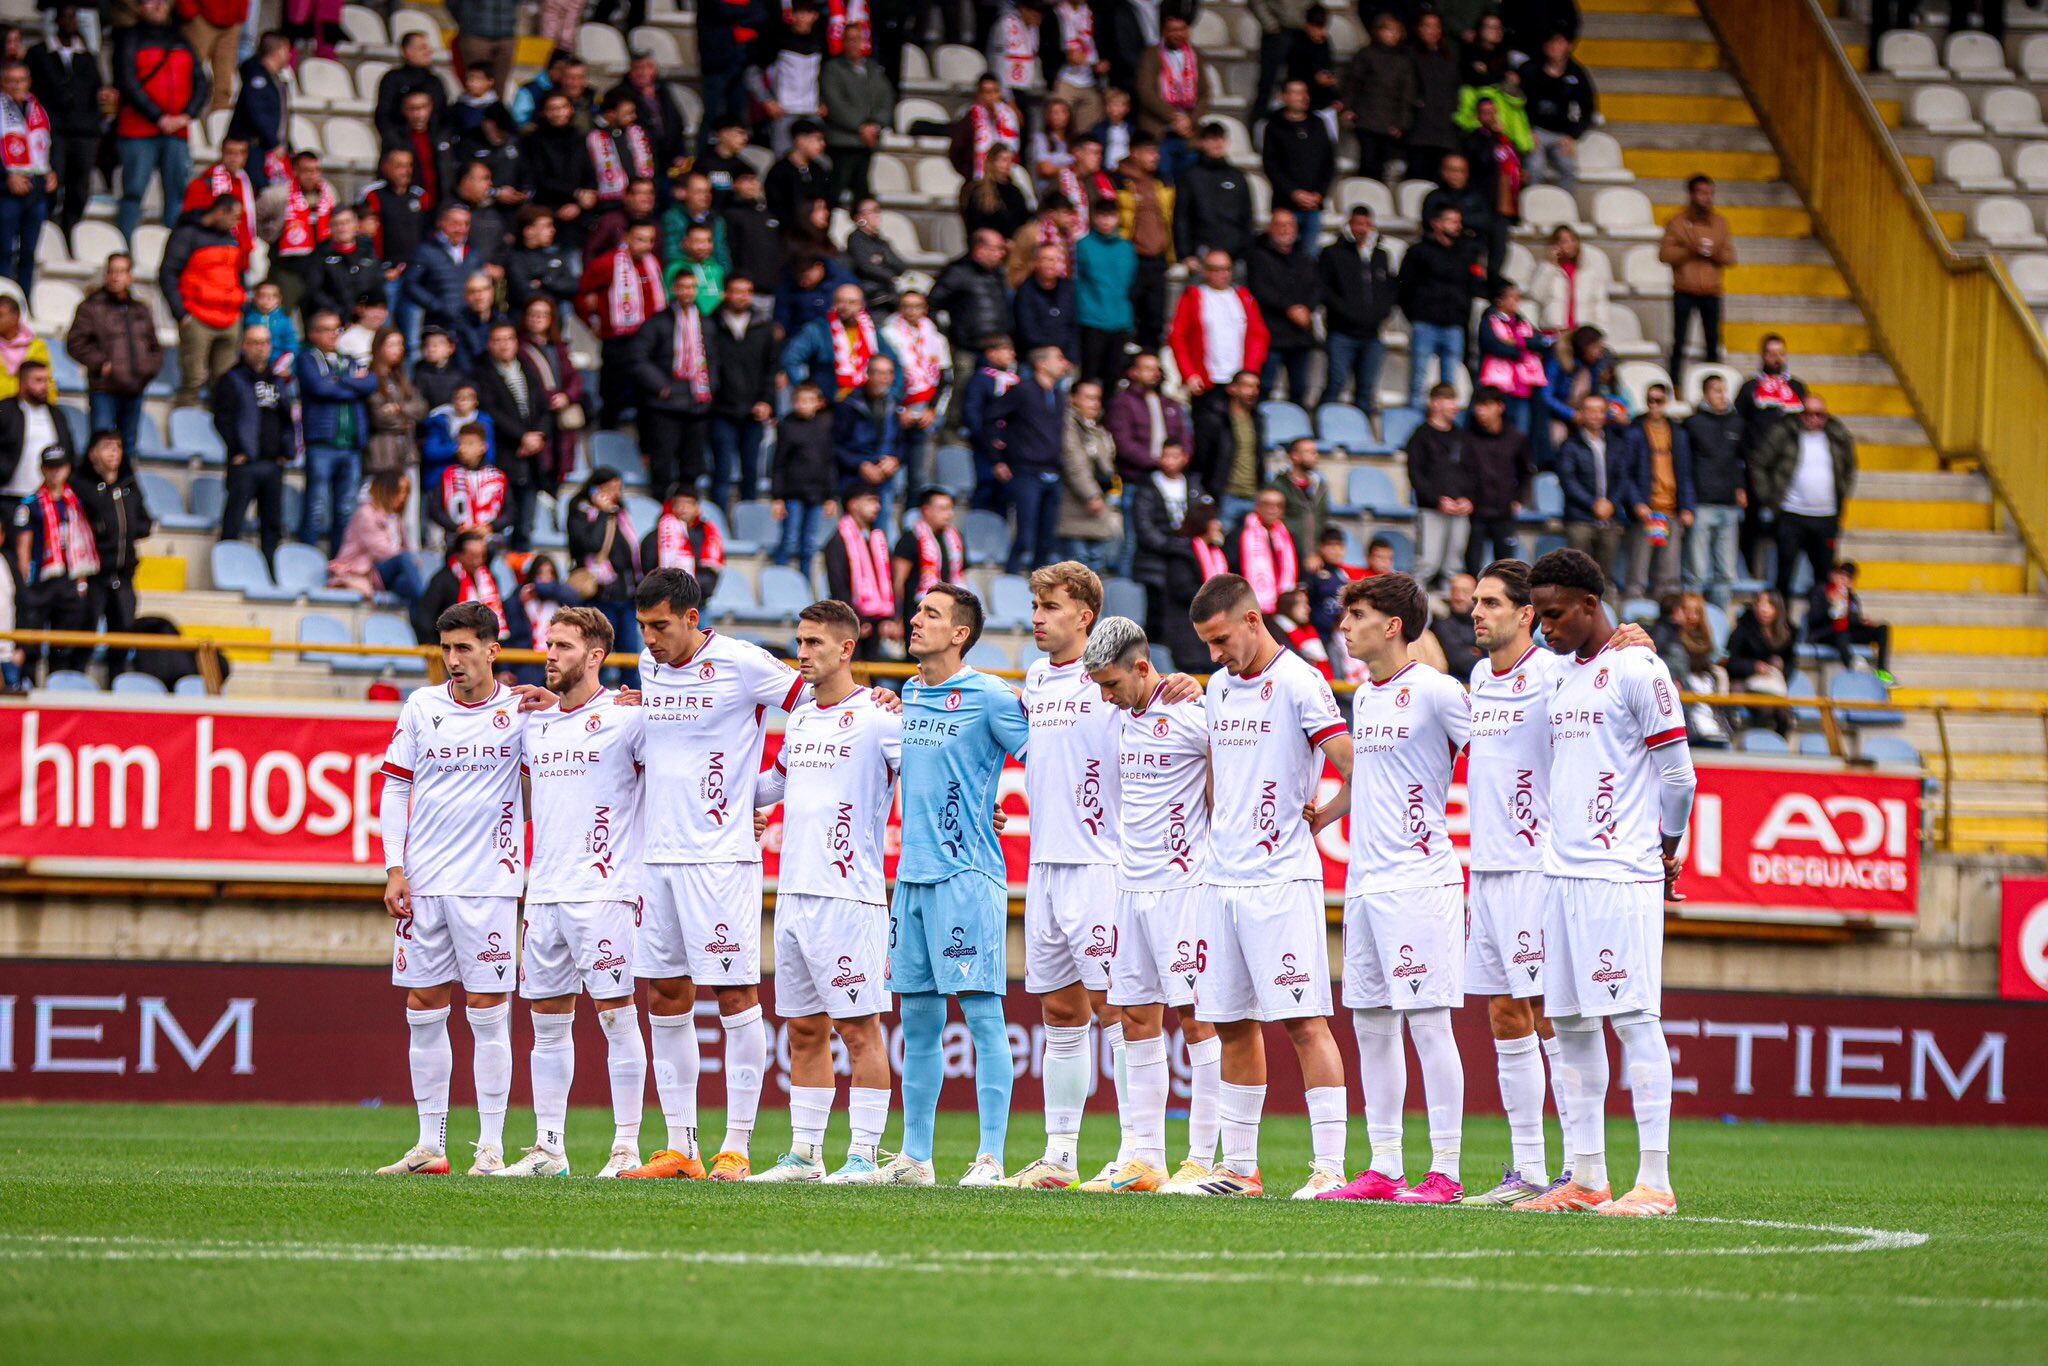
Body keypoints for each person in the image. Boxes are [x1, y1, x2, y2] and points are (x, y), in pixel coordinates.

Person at [1514, 548, 1695, 1218]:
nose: (1544, 628)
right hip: (1559, 875)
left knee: (1633, 1018)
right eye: (1538, 615)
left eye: (1556, 615)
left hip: (1619, 875)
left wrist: (1665, 848)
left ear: (1591, 606)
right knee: (1567, 1022)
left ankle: (1655, 1182)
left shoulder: (1639, 667)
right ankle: (1588, 1179)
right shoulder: (1559, 673)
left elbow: (1679, 776)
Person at [611, 568, 809, 1181]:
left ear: (693, 618)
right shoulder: (651, 669)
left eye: (661, 626)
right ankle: (681, 1147)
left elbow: (819, 708)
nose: (650, 639)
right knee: (666, 995)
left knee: (734, 997)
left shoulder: (742, 662)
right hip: (658, 857)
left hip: (720, 861)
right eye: (643, 627)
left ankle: (738, 1146)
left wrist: (765, 792)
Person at [1170, 573, 1353, 1196]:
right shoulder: (1217, 688)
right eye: (1206, 644)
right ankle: (1240, 1168)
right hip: (1221, 882)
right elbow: (1219, 774)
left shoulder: (1302, 683)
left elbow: (1356, 764)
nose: (1214, 655)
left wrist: (1326, 814)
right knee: (1229, 1024)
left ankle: (1330, 1169)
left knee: (1303, 1021)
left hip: (1280, 882)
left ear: (1253, 620)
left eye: (1220, 639)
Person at [1308, 573, 1471, 1204]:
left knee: (1429, 1025)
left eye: (1357, 616)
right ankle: (1384, 1167)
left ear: (1393, 626)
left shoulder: (1436, 691)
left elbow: (1496, 751)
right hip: (1366, 883)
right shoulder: (1367, 697)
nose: (1345, 627)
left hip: (1420, 880)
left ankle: (1448, 1173)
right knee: (1372, 1024)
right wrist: (1326, 813)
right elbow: (1370, 777)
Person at [1457, 558, 1611, 1203]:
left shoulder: (1556, 675)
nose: (1476, 612)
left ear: (1526, 615)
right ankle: (1525, 1170)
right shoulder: (1476, 677)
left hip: (1536, 868)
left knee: (1553, 1013)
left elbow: (1607, 670)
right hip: (1486, 869)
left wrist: (1632, 637)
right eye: (1476, 602)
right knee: (1502, 1013)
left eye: (1491, 603)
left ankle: (1583, 1167)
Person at [483, 605, 647, 1179]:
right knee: (547, 1023)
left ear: (596, 656)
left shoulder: (629, 719)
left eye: (564, 646)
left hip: (605, 892)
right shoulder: (537, 722)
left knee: (616, 1017)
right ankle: (549, 1149)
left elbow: (677, 776)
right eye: (548, 644)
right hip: (545, 891)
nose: (550, 655)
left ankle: (626, 1146)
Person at [743, 599, 902, 1183]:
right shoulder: (804, 716)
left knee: (858, 1029)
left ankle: (864, 1155)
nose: (802, 653)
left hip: (849, 896)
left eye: (813, 643)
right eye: (799, 642)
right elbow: (774, 783)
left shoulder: (882, 717)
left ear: (846, 649)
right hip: (792, 894)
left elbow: (931, 775)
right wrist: (717, 793)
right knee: (804, 1028)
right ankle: (806, 1153)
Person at [880, 583, 1033, 1186]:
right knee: (917, 1021)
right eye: (918, 610)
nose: (915, 621)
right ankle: (916, 1158)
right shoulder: (908, 694)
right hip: (910, 878)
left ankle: (990, 1157)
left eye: (931, 615)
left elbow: (1047, 761)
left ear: (960, 633)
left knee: (982, 1014)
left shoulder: (993, 696)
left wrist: (995, 810)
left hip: (967, 877)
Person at [372, 601, 524, 1176]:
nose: (453, 661)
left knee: (487, 1009)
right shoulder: (421, 707)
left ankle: (489, 1146)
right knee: (423, 1005)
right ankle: (430, 1144)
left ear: (492, 650)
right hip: (425, 882)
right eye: (446, 649)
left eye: (464, 649)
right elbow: (395, 790)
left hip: (489, 885)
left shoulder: (520, 711)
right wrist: (394, 867)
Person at [1071, 616, 1222, 1190]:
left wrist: (1197, 685)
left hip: (1184, 888)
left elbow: (1245, 762)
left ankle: (1203, 1160)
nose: (1107, 699)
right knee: (1136, 1015)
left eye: (1112, 685)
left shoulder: (1189, 714)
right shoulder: (1121, 718)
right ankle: (1148, 1159)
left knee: (1197, 1017)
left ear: (1141, 667)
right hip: (1129, 888)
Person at [994, 564, 1123, 1189]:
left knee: (1117, 1010)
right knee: (1060, 1012)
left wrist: (1179, 684)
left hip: (1101, 866)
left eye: (1050, 606)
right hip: (1043, 866)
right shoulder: (1038, 679)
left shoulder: (1114, 678)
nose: (1037, 617)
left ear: (1085, 617)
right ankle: (1061, 1156)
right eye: (1035, 606)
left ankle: (1138, 1150)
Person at [111, 0, 208, 243]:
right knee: (133, 193)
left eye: (162, 1)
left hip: (176, 132)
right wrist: (159, 116)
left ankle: (172, 250)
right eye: (151, 1)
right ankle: (124, 253)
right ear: (140, 8)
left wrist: (187, 115)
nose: (158, 6)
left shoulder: (182, 39)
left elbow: (201, 82)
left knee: (176, 195)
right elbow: (126, 81)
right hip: (138, 131)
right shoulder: (129, 38)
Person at [1170, 251, 1269, 484]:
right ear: (1205, 271)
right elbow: (1179, 336)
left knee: (1240, 438)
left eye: (1226, 269)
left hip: (1238, 382)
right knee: (1207, 440)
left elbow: (1258, 335)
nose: (1222, 274)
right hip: (1208, 382)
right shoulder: (1194, 296)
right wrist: (1189, 373)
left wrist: (1250, 374)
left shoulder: (1243, 296)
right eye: (1215, 269)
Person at [1752, 392, 1855, 604]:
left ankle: (1820, 624)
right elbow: (1759, 463)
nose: (1813, 419)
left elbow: (1849, 467)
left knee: (1824, 575)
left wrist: (1842, 492)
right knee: (1785, 572)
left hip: (1825, 516)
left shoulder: (1837, 436)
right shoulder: (1785, 433)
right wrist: (1770, 498)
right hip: (1792, 513)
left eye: (1819, 415)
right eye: (1808, 414)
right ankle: (1782, 624)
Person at [295, 309, 377, 555]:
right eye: (327, 329)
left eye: (337, 329)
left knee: (346, 510)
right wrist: (351, 384)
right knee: (316, 507)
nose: (333, 334)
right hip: (323, 443)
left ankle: (339, 562)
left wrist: (338, 380)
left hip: (351, 445)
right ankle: (304, 558)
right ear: (312, 334)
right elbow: (320, 388)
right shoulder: (308, 359)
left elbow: (370, 383)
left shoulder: (349, 360)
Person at [211, 324, 296, 561]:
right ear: (243, 345)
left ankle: (270, 573)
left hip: (273, 465)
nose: (261, 348)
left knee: (272, 526)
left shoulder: (278, 382)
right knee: (233, 522)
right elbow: (222, 420)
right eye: (255, 342)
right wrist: (238, 449)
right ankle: (227, 569)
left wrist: (286, 452)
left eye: (266, 342)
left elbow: (286, 419)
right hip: (245, 464)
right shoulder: (231, 379)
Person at [10, 443, 94, 673]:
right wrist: (25, 581)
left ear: (68, 469)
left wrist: (81, 579)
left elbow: (82, 543)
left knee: (63, 647)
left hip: (68, 581)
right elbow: (23, 546)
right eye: (50, 467)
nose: (55, 472)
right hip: (40, 582)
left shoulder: (75, 504)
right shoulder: (30, 504)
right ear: (42, 469)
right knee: (31, 645)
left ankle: (60, 689)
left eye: (60, 467)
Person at [577, 219, 665, 429]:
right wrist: (591, 323)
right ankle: (607, 448)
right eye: (640, 239)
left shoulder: (653, 264)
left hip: (649, 344)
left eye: (650, 240)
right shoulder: (606, 264)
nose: (646, 245)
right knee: (613, 398)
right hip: (618, 342)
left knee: (647, 398)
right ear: (626, 238)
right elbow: (581, 295)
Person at [472, 322, 552, 551]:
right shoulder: (483, 373)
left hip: (533, 458)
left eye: (508, 339)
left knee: (526, 523)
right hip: (505, 454)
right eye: (498, 340)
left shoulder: (528, 369)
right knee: (501, 521)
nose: (504, 345)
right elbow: (492, 410)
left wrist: (538, 437)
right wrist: (522, 437)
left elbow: (544, 408)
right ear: (489, 345)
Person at [991, 344, 1071, 573]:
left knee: (1046, 540)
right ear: (1042, 364)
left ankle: (1041, 592)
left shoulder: (1059, 394)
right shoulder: (1022, 390)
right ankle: (1010, 578)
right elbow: (991, 419)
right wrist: (998, 458)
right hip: (1027, 471)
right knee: (1025, 535)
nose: (1064, 363)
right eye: (1059, 358)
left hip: (1054, 472)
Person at [164, 194, 248, 407]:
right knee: (193, 380)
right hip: (197, 318)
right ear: (220, 212)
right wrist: (181, 314)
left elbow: (239, 276)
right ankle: (185, 429)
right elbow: (168, 274)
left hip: (230, 319)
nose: (237, 222)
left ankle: (218, 433)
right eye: (235, 217)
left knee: (224, 384)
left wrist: (240, 309)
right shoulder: (187, 234)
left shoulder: (232, 239)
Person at [73, 430, 149, 665]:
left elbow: (144, 522)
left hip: (124, 576)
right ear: (92, 453)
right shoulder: (81, 487)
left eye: (118, 446)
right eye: (107, 446)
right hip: (94, 575)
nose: (114, 452)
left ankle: (117, 683)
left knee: (124, 636)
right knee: (84, 637)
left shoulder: (129, 486)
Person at [1315, 205, 1394, 423]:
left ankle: (1362, 432)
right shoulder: (1332, 253)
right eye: (1357, 224)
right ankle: (1323, 425)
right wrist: (1346, 313)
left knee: (1366, 390)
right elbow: (1325, 289)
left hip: (1372, 334)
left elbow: (1388, 289)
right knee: (1336, 383)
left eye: (1366, 224)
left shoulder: (1381, 256)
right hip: (1342, 332)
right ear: (1349, 224)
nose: (1362, 229)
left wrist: (1381, 313)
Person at [1400, 205, 1483, 409]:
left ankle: (1446, 424)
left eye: (1458, 221)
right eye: (1452, 221)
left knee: (1450, 382)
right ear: (1436, 223)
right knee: (1418, 380)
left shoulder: (1465, 253)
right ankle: (1414, 422)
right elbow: (1404, 286)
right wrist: (1416, 314)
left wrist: (1462, 313)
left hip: (1454, 324)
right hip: (1425, 322)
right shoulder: (1418, 251)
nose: (1458, 226)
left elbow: (1472, 286)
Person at [1617, 382, 1694, 600]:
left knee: (1669, 575)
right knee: (1638, 573)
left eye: (1658, 401)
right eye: (1650, 400)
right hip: (1647, 511)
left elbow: (1685, 473)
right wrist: (1637, 503)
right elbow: (1626, 473)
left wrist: (1687, 506)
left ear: (1666, 402)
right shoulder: (1635, 432)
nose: (1653, 405)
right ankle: (1633, 618)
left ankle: (1667, 619)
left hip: (1671, 510)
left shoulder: (1678, 434)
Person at [27, 8, 99, 238]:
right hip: (53, 130)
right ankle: (46, 229)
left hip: (84, 132)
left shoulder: (87, 56)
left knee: (79, 188)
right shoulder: (38, 53)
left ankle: (70, 232)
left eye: (74, 17)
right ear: (56, 21)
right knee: (51, 183)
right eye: (66, 17)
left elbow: (96, 89)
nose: (71, 22)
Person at [1557, 390, 1637, 592]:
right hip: (1580, 517)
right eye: (1590, 411)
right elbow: (1568, 481)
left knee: (1604, 578)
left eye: (1600, 411)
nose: (1595, 415)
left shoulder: (1616, 443)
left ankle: (1603, 618)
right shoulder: (1570, 445)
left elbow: (1623, 477)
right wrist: (1593, 504)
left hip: (1610, 517)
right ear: (1581, 413)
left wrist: (1611, 503)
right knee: (1577, 576)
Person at [1659, 174, 1736, 381]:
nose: (1707, 198)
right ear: (1691, 195)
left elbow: (1731, 257)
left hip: (1712, 291)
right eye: (1702, 193)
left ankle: (1714, 384)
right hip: (1684, 290)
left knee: (1713, 341)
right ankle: (1674, 383)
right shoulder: (1677, 222)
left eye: (1710, 193)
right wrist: (1690, 250)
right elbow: (1664, 254)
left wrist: (1714, 254)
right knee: (1679, 342)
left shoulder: (1720, 223)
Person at [564, 468, 642, 655]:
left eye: (618, 489)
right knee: (599, 653)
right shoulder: (580, 511)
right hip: (598, 594)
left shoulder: (621, 514)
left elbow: (629, 552)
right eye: (609, 488)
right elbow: (592, 544)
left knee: (629, 654)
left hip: (624, 593)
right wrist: (602, 514)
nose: (615, 494)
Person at [1683, 372, 1745, 606]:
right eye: (1716, 390)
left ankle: (1719, 622)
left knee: (1726, 572)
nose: (1722, 395)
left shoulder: (1737, 423)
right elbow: (1685, 466)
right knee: (1696, 572)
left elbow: (1739, 460)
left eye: (1724, 390)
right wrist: (1687, 503)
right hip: (1701, 503)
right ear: (1706, 394)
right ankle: (1693, 623)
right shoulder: (1693, 424)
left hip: (1728, 504)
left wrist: (1740, 487)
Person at [1407, 383, 1475, 591]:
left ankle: (1451, 616)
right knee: (1426, 565)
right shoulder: (1420, 436)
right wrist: (1437, 500)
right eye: (1449, 400)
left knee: (1453, 567)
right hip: (1431, 510)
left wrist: (1469, 498)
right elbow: (1416, 476)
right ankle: (1417, 615)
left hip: (1460, 511)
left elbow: (1472, 472)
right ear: (1435, 403)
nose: (1455, 406)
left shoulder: (1462, 436)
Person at [1247, 208, 1320, 404]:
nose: (1284, 230)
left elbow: (1316, 287)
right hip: (1272, 335)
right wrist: (1289, 308)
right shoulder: (1258, 256)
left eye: (1289, 225)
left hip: (1300, 336)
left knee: (1299, 390)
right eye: (1279, 225)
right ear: (1270, 228)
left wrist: (1307, 309)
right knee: (1265, 389)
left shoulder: (1305, 256)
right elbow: (1261, 289)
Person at [880, 290, 949, 492]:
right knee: (891, 472)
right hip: (897, 409)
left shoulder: (936, 338)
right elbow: (883, 376)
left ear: (925, 309)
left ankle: (914, 519)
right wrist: (898, 410)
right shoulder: (888, 335)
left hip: (925, 409)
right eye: (907, 306)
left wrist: (933, 410)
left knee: (919, 476)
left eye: (917, 306)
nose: (912, 311)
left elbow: (945, 378)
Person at [1464, 385, 1534, 575]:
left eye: (1486, 406)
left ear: (1500, 407)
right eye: (1478, 406)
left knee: (1506, 570)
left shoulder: (1516, 438)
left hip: (1504, 513)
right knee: (1471, 565)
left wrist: (1519, 499)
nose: (1481, 412)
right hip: (1475, 513)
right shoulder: (1468, 438)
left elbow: (1527, 472)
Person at [821, 21, 892, 206]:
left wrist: (876, 125)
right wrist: (862, 127)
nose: (854, 44)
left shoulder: (874, 70)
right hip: (842, 142)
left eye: (858, 39)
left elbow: (886, 100)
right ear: (843, 42)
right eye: (849, 39)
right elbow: (835, 103)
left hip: (867, 144)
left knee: (863, 194)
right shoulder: (832, 68)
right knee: (835, 194)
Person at [1337, 12, 1416, 180]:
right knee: (1367, 161)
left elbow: (1407, 94)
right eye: (1388, 30)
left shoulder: (1404, 61)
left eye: (1396, 31)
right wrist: (1348, 107)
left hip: (1389, 122)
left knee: (1381, 166)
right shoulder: (1366, 55)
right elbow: (1353, 83)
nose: (1392, 35)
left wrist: (1401, 123)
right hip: (1366, 117)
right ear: (1377, 31)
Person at [328, 471, 426, 603]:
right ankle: (428, 604)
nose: (404, 496)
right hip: (364, 571)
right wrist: (409, 560)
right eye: (400, 490)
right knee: (405, 560)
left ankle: (423, 618)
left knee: (408, 588)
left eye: (407, 491)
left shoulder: (396, 518)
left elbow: (403, 548)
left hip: (385, 574)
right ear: (386, 489)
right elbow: (381, 551)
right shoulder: (366, 513)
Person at [822, 483, 896, 659]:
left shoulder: (877, 539)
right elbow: (838, 586)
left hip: (878, 621)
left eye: (878, 501)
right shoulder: (838, 541)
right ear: (853, 504)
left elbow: (888, 580)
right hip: (851, 622)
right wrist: (855, 620)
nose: (877, 506)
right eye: (871, 501)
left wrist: (890, 618)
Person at [0, 60, 55, 292]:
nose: (17, 85)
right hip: (6, 188)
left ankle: (23, 302)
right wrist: (6, 178)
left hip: (36, 186)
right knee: (3, 250)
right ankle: (4, 300)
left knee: (29, 252)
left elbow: (47, 142)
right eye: (11, 81)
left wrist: (52, 170)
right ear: (3, 82)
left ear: (29, 81)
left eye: (21, 80)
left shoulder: (38, 107)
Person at [772, 381, 836, 572]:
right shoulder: (787, 426)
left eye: (809, 401)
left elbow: (829, 463)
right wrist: (778, 497)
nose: (805, 405)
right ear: (793, 402)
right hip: (793, 494)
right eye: (801, 401)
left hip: (817, 495)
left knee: (809, 544)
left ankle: (805, 584)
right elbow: (778, 464)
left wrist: (831, 496)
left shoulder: (824, 427)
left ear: (818, 403)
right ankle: (779, 576)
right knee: (789, 540)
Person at [1262, 80, 1334, 250]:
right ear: (1283, 97)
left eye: (1304, 92)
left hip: (1314, 206)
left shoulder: (1318, 124)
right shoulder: (1274, 126)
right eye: (1296, 92)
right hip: (1285, 205)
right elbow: (1271, 165)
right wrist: (1293, 192)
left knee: (1309, 257)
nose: (1302, 97)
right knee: (1282, 253)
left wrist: (1319, 193)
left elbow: (1328, 162)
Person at [1521, 32, 1597, 193]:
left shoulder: (1576, 73)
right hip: (1535, 131)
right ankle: (1533, 209)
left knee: (1569, 168)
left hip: (1561, 134)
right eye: (1551, 43)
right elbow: (1518, 104)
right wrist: (1526, 130)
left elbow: (1589, 108)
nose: (1554, 47)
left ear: (1568, 46)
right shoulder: (1530, 70)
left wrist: (1573, 135)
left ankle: (1564, 209)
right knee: (1535, 168)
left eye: (1559, 43)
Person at [1056, 384, 1120, 571]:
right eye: (1088, 398)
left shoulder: (1098, 430)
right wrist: (1091, 495)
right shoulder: (1069, 426)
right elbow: (1075, 464)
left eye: (1097, 398)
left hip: (1099, 511)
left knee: (1093, 575)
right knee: (1075, 573)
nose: (1094, 403)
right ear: (1073, 398)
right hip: (1076, 510)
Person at [1135, 14, 1206, 179]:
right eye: (1173, 30)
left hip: (1188, 132)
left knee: (1189, 180)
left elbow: (1205, 93)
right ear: (1163, 32)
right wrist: (1174, 117)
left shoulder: (1196, 55)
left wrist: (1190, 120)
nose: (1177, 34)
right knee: (1163, 179)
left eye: (1181, 30)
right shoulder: (1151, 55)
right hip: (1159, 129)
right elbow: (1145, 91)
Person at [1476, 282, 1548, 442]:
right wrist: (1520, 351)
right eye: (1513, 297)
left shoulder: (1523, 322)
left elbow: (1539, 342)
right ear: (1500, 301)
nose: (1517, 301)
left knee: (1520, 432)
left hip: (1523, 387)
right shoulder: (1490, 320)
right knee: (1497, 429)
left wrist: (1515, 341)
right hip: (1499, 388)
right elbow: (1493, 345)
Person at [1173, 123, 1254, 265]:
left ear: (1226, 142)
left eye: (1220, 139)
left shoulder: (1237, 176)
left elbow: (1246, 216)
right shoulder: (1191, 176)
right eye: (1211, 139)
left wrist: (1245, 252)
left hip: (1235, 254)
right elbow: (1182, 218)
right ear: (1202, 143)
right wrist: (1186, 254)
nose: (1217, 143)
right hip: (1202, 255)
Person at [1105, 350, 1190, 483]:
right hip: (1136, 477)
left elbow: (1184, 434)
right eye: (1148, 368)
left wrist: (1181, 458)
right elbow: (1123, 442)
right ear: (1133, 372)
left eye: (1157, 369)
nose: (1155, 373)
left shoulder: (1170, 402)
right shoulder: (1123, 402)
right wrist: (1157, 462)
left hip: (1170, 478)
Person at [832, 355, 904, 504]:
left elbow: (902, 441)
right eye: (879, 373)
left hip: (886, 479)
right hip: (854, 479)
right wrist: (860, 464)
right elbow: (835, 445)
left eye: (889, 373)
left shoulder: (896, 404)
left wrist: (896, 459)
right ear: (868, 374)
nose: (885, 378)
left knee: (883, 527)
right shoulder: (849, 404)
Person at [1807, 561, 1893, 681]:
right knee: (1841, 633)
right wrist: (1831, 606)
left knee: (1882, 629)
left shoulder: (1852, 598)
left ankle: (1882, 671)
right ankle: (1853, 665)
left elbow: (1853, 620)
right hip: (1826, 632)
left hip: (1847, 633)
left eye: (1848, 578)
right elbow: (1814, 619)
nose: (1844, 580)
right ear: (1833, 576)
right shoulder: (1820, 592)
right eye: (1841, 575)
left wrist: (1862, 621)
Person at [1528, 224, 1613, 341]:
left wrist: (1601, 332)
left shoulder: (1589, 272)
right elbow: (1537, 295)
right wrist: (1550, 266)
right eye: (1564, 241)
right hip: (1555, 332)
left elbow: (1600, 304)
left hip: (1582, 334)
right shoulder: (1545, 269)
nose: (1570, 245)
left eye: (1573, 240)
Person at [431, 422, 508, 542]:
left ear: (483, 447)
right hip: (457, 541)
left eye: (469, 444)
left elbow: (510, 511)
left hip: (488, 539)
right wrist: (457, 528)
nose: (462, 449)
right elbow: (435, 509)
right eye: (460, 443)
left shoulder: (498, 477)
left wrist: (490, 527)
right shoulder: (448, 475)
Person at [376, 31, 449, 146]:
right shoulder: (393, 79)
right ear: (408, 51)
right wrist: (398, 145)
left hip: (432, 148)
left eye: (428, 47)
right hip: (401, 148)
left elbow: (443, 115)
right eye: (422, 48)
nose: (429, 51)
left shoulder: (435, 81)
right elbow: (384, 117)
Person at [1267, 436, 1328, 571]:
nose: (1315, 456)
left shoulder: (1320, 486)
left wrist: (1316, 553)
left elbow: (1323, 520)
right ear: (1294, 456)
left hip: (1315, 560)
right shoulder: (1279, 486)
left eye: (1315, 452)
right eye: (1309, 452)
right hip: (1285, 556)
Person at [1012, 243, 1080, 363]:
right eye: (1048, 259)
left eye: (1058, 260)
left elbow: (1073, 327)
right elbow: (1027, 331)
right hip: (1036, 356)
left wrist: (1069, 357)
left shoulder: (1069, 288)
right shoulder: (1025, 291)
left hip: (1066, 357)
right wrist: (1052, 350)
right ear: (1036, 263)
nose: (1053, 264)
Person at [951, 74, 1024, 181]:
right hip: (977, 178)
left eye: (995, 91)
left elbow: (1014, 149)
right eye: (987, 92)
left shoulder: (1010, 116)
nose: (991, 96)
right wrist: (969, 173)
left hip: (1006, 177)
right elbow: (957, 151)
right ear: (979, 95)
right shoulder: (969, 118)